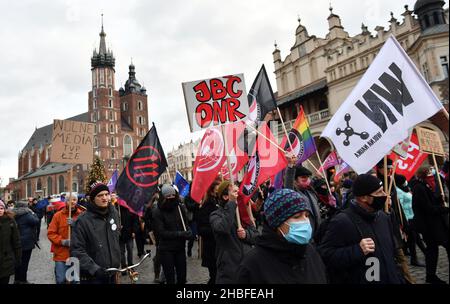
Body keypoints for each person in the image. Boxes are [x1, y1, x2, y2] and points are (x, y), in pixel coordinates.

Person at [318, 174, 405, 284]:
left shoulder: (383, 217)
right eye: (379, 192)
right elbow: (325, 255)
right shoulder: (342, 221)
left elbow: (391, 255)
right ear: (363, 197)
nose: (384, 195)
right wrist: (357, 250)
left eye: (383, 191)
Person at [237, 189, 327, 284]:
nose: (305, 221)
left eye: (307, 215)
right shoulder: (253, 264)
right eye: (297, 217)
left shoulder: (310, 252)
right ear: (277, 223)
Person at [71, 182, 121, 284]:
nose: (104, 198)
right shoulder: (82, 221)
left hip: (112, 273)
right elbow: (77, 250)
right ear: (93, 199)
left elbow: (116, 240)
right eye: (100, 195)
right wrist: (94, 269)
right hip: (93, 277)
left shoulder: (113, 213)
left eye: (106, 194)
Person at [210, 181, 258, 284]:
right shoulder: (215, 215)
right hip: (229, 270)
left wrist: (246, 234)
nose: (238, 194)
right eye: (234, 192)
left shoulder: (242, 213)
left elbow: (257, 236)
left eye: (237, 191)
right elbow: (223, 228)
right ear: (225, 197)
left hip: (248, 267)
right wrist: (232, 204)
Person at [411, 167, 449, 284]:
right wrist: (444, 209)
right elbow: (428, 208)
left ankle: (430, 275)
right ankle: (430, 276)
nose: (432, 173)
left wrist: (441, 199)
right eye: (429, 171)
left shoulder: (425, 186)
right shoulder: (419, 188)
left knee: (432, 250)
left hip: (434, 224)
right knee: (435, 249)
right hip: (429, 226)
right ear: (424, 174)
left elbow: (432, 201)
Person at [152, 184, 191, 284]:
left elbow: (185, 224)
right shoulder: (157, 211)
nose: (171, 198)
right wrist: (179, 234)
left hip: (180, 248)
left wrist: (188, 232)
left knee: (182, 278)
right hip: (166, 250)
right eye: (168, 196)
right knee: (170, 279)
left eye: (173, 196)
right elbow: (161, 232)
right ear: (163, 197)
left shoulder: (179, 207)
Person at [284, 156, 322, 241]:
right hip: (304, 236)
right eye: (303, 178)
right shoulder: (293, 194)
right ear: (295, 181)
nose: (307, 180)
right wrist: (291, 166)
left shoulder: (311, 193)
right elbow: (288, 183)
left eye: (308, 177)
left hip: (316, 236)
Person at [47, 194, 82, 284]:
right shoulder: (58, 215)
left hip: (76, 253)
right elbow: (51, 233)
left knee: (75, 280)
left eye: (74, 199)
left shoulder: (82, 215)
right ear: (66, 201)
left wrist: (76, 224)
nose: (72, 201)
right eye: (70, 199)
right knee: (61, 279)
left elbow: (86, 233)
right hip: (61, 254)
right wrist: (63, 241)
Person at [395, 174, 426, 267]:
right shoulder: (398, 191)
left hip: (412, 216)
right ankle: (414, 259)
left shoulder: (404, 189)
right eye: (404, 180)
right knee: (413, 239)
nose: (406, 182)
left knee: (416, 238)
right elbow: (400, 207)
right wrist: (403, 221)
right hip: (407, 218)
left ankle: (425, 253)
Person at [194, 181, 219, 284]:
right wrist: (217, 229)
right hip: (211, 248)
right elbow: (201, 230)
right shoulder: (206, 207)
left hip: (222, 248)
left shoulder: (222, 205)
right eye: (218, 190)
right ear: (212, 192)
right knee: (214, 277)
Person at [13, 200, 40, 284]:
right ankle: (23, 280)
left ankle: (17, 280)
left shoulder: (13, 214)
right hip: (27, 242)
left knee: (17, 262)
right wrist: (33, 213)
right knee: (24, 262)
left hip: (16, 242)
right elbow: (36, 221)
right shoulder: (27, 214)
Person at [0, 200, 21, 284]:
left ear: (4, 209)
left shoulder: (10, 221)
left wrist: (18, 258)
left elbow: (16, 241)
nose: (0, 210)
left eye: (1, 208)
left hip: (6, 260)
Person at [118, 204, 139, 271]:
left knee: (130, 249)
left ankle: (130, 265)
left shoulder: (132, 208)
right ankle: (123, 267)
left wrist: (134, 231)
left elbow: (135, 220)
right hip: (120, 234)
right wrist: (118, 226)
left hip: (129, 233)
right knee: (121, 252)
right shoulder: (117, 208)